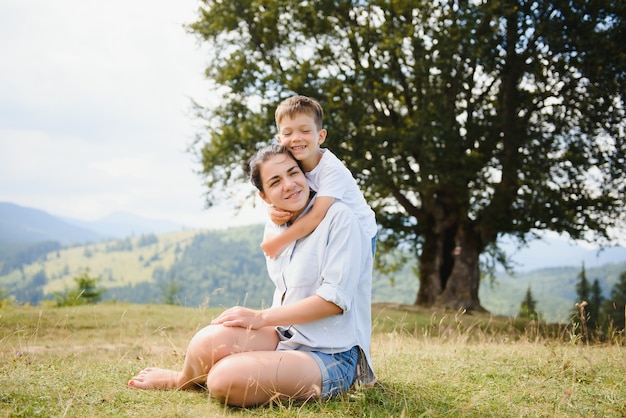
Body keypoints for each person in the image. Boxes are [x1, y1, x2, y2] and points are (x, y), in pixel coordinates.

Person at [127, 144, 376, 407]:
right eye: (276, 181)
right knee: (206, 343)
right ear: (264, 196)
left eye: (294, 173)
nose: (290, 185)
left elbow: (333, 301)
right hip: (285, 335)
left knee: (224, 379)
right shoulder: (276, 225)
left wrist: (260, 317)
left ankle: (244, 370)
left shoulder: (340, 218)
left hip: (332, 354)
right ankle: (183, 380)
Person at [260, 95, 377, 259]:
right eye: (288, 133)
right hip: (328, 227)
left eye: (305, 131)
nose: (296, 138)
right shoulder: (293, 162)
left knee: (349, 279)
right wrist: (272, 209)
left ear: (320, 136)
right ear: (280, 140)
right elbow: (279, 192)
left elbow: (316, 215)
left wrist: (278, 242)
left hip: (360, 233)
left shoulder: (331, 169)